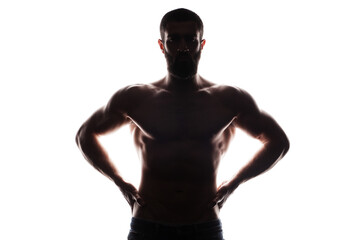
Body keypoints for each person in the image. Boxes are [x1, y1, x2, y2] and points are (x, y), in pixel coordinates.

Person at [75, 8, 289, 240]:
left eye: (191, 39)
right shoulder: (136, 98)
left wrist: (233, 183)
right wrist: (120, 182)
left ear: (202, 44)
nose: (183, 47)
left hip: (204, 227)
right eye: (174, 39)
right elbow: (85, 135)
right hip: (149, 226)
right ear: (161, 45)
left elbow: (278, 142)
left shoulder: (228, 99)